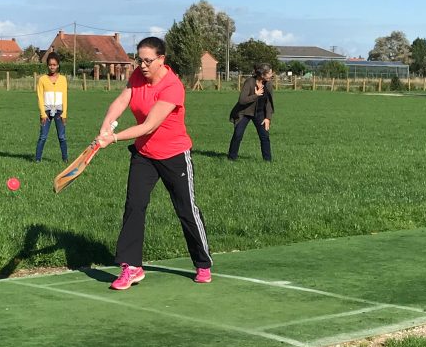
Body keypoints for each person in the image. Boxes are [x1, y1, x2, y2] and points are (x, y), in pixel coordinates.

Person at [95, 37, 213, 290]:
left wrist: (113, 137)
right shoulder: (137, 76)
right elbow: (120, 102)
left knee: (185, 209)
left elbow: (149, 125)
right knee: (134, 206)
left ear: (162, 59)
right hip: (144, 155)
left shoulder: (172, 87)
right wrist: (106, 125)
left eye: (149, 60)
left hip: (174, 154)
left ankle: (203, 262)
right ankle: (131, 267)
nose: (143, 65)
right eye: (140, 59)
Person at [227, 63, 275, 162]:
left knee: (264, 136)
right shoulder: (249, 82)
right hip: (244, 113)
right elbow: (242, 100)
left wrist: (267, 118)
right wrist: (255, 95)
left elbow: (269, 102)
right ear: (262, 74)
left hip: (260, 113)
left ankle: (268, 161)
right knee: (238, 135)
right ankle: (231, 158)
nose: (271, 75)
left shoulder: (269, 84)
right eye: (269, 73)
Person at [35, 52, 68, 163]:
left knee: (62, 137)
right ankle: (37, 160)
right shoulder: (42, 79)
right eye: (50, 65)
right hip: (46, 111)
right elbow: (40, 97)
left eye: (54, 64)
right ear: (47, 65)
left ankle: (65, 159)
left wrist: (64, 114)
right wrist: (42, 113)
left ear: (58, 65)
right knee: (43, 136)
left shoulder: (63, 79)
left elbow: (65, 97)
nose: (52, 67)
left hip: (59, 111)